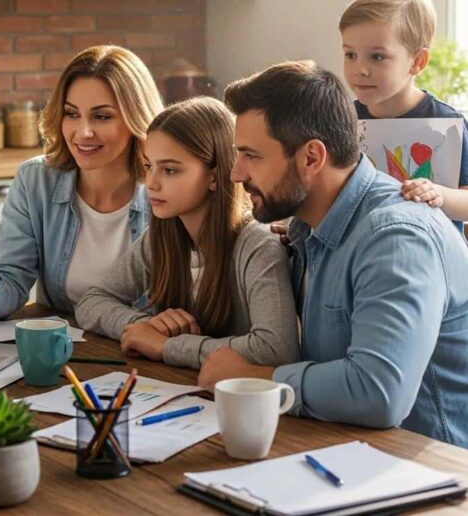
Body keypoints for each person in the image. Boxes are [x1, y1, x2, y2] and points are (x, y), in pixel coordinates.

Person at [198, 60, 468, 447]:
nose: (235, 174)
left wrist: (259, 378)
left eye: (251, 156)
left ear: (311, 158)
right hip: (346, 450)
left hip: (431, 479)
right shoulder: (306, 227)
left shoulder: (396, 238)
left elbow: (379, 394)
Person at [0, 45, 164, 318]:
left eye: (102, 116)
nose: (83, 132)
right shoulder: (37, 181)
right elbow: (10, 290)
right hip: (66, 350)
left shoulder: (165, 188)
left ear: (137, 118)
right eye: (72, 114)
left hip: (145, 350)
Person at [75, 97, 300, 369]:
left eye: (170, 170)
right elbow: (91, 303)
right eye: (149, 166)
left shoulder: (258, 246)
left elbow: (275, 349)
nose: (151, 183)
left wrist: (167, 346)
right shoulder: (159, 239)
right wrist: (146, 326)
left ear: (216, 177)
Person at [340, 0, 468, 236]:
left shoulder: (447, 123)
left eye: (377, 57)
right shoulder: (341, 120)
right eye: (350, 55)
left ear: (417, 62)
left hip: (431, 257)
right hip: (362, 256)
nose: (359, 69)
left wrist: (440, 194)